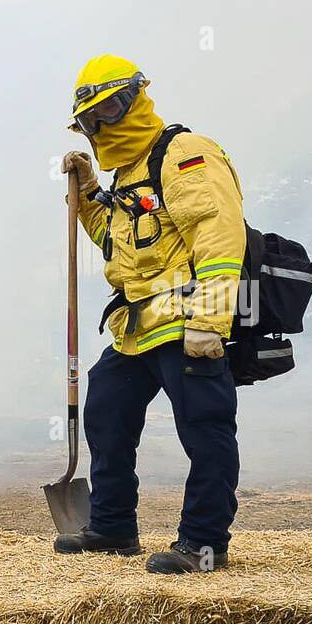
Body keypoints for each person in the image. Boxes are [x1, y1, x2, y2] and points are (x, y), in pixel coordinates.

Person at [56, 55, 244, 574]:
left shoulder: (183, 153)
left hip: (187, 324)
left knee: (204, 430)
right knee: (107, 413)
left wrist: (209, 320)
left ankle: (205, 544)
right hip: (135, 329)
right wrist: (90, 192)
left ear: (138, 98)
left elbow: (218, 234)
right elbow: (116, 244)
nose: (103, 125)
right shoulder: (128, 176)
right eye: (92, 121)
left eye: (112, 108)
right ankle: (113, 527)